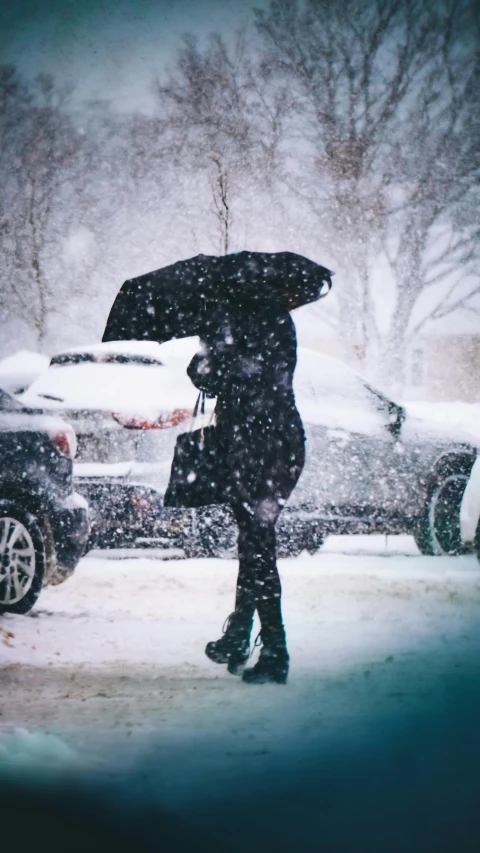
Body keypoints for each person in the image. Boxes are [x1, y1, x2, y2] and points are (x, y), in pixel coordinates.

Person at [187, 287, 306, 685]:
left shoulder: (240, 325)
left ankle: (274, 649)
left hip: (260, 452)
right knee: (254, 544)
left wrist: (213, 348)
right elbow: (218, 374)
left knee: (258, 545)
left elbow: (213, 375)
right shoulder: (272, 319)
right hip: (270, 448)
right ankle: (242, 638)